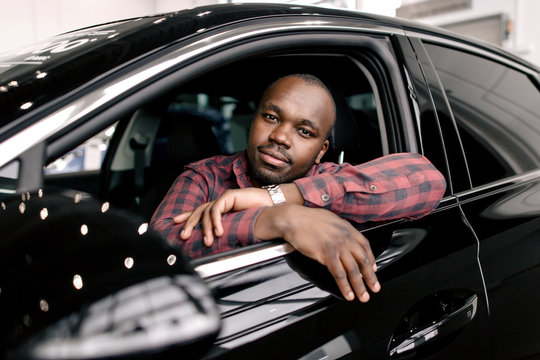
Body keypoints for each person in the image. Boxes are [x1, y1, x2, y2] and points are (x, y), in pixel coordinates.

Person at [150, 74, 446, 303]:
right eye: (271, 117)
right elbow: (158, 247)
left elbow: (426, 179)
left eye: (304, 132)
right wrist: (278, 219)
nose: (280, 136)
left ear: (321, 151)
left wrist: (280, 197)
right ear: (252, 121)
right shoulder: (206, 176)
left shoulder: (328, 177)